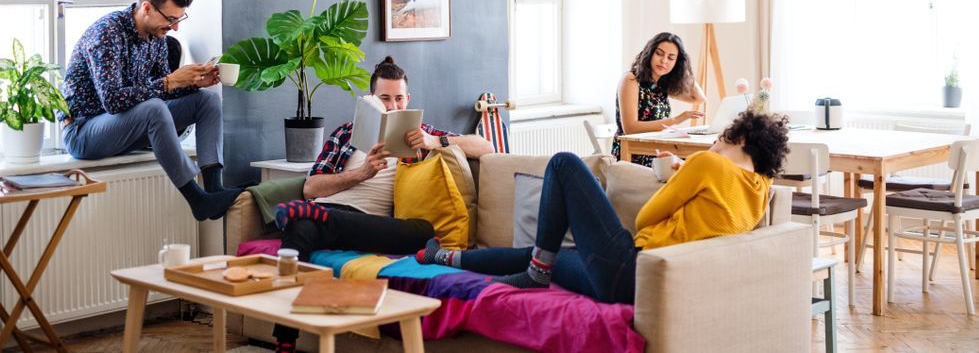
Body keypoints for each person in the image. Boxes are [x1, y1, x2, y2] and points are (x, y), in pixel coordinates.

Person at [418, 111, 790, 304]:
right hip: (639, 287)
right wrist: (683, 171)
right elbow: (707, 215)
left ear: (738, 138)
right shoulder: (760, 191)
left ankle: (534, 271)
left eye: (721, 138)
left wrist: (687, 168)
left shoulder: (708, 165)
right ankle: (445, 258)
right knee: (543, 257)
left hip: (631, 267)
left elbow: (646, 218)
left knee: (564, 163)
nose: (713, 144)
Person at [272, 56, 494, 353]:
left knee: (423, 232)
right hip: (328, 210)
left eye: (399, 99)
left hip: (370, 225)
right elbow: (311, 187)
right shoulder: (346, 133)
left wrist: (433, 142)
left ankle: (309, 215)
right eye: (385, 99)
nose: (393, 107)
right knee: (298, 233)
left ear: (408, 99)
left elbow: (486, 147)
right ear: (371, 100)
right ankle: (285, 342)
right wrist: (361, 173)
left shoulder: (422, 135)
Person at [59, 0, 243, 221]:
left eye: (179, 19)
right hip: (84, 131)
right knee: (154, 108)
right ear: (146, 7)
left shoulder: (156, 38)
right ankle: (196, 200)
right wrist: (171, 81)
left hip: (127, 128)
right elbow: (112, 101)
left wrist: (192, 83)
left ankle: (213, 189)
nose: (175, 27)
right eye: (170, 19)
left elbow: (162, 89)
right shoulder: (106, 34)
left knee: (206, 101)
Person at [614, 32, 706, 165]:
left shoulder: (662, 85)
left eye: (671, 58)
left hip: (657, 151)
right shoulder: (631, 80)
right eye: (659, 53)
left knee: (701, 161)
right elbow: (630, 128)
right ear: (650, 53)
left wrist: (685, 69)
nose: (664, 61)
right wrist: (677, 119)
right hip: (633, 155)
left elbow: (698, 98)